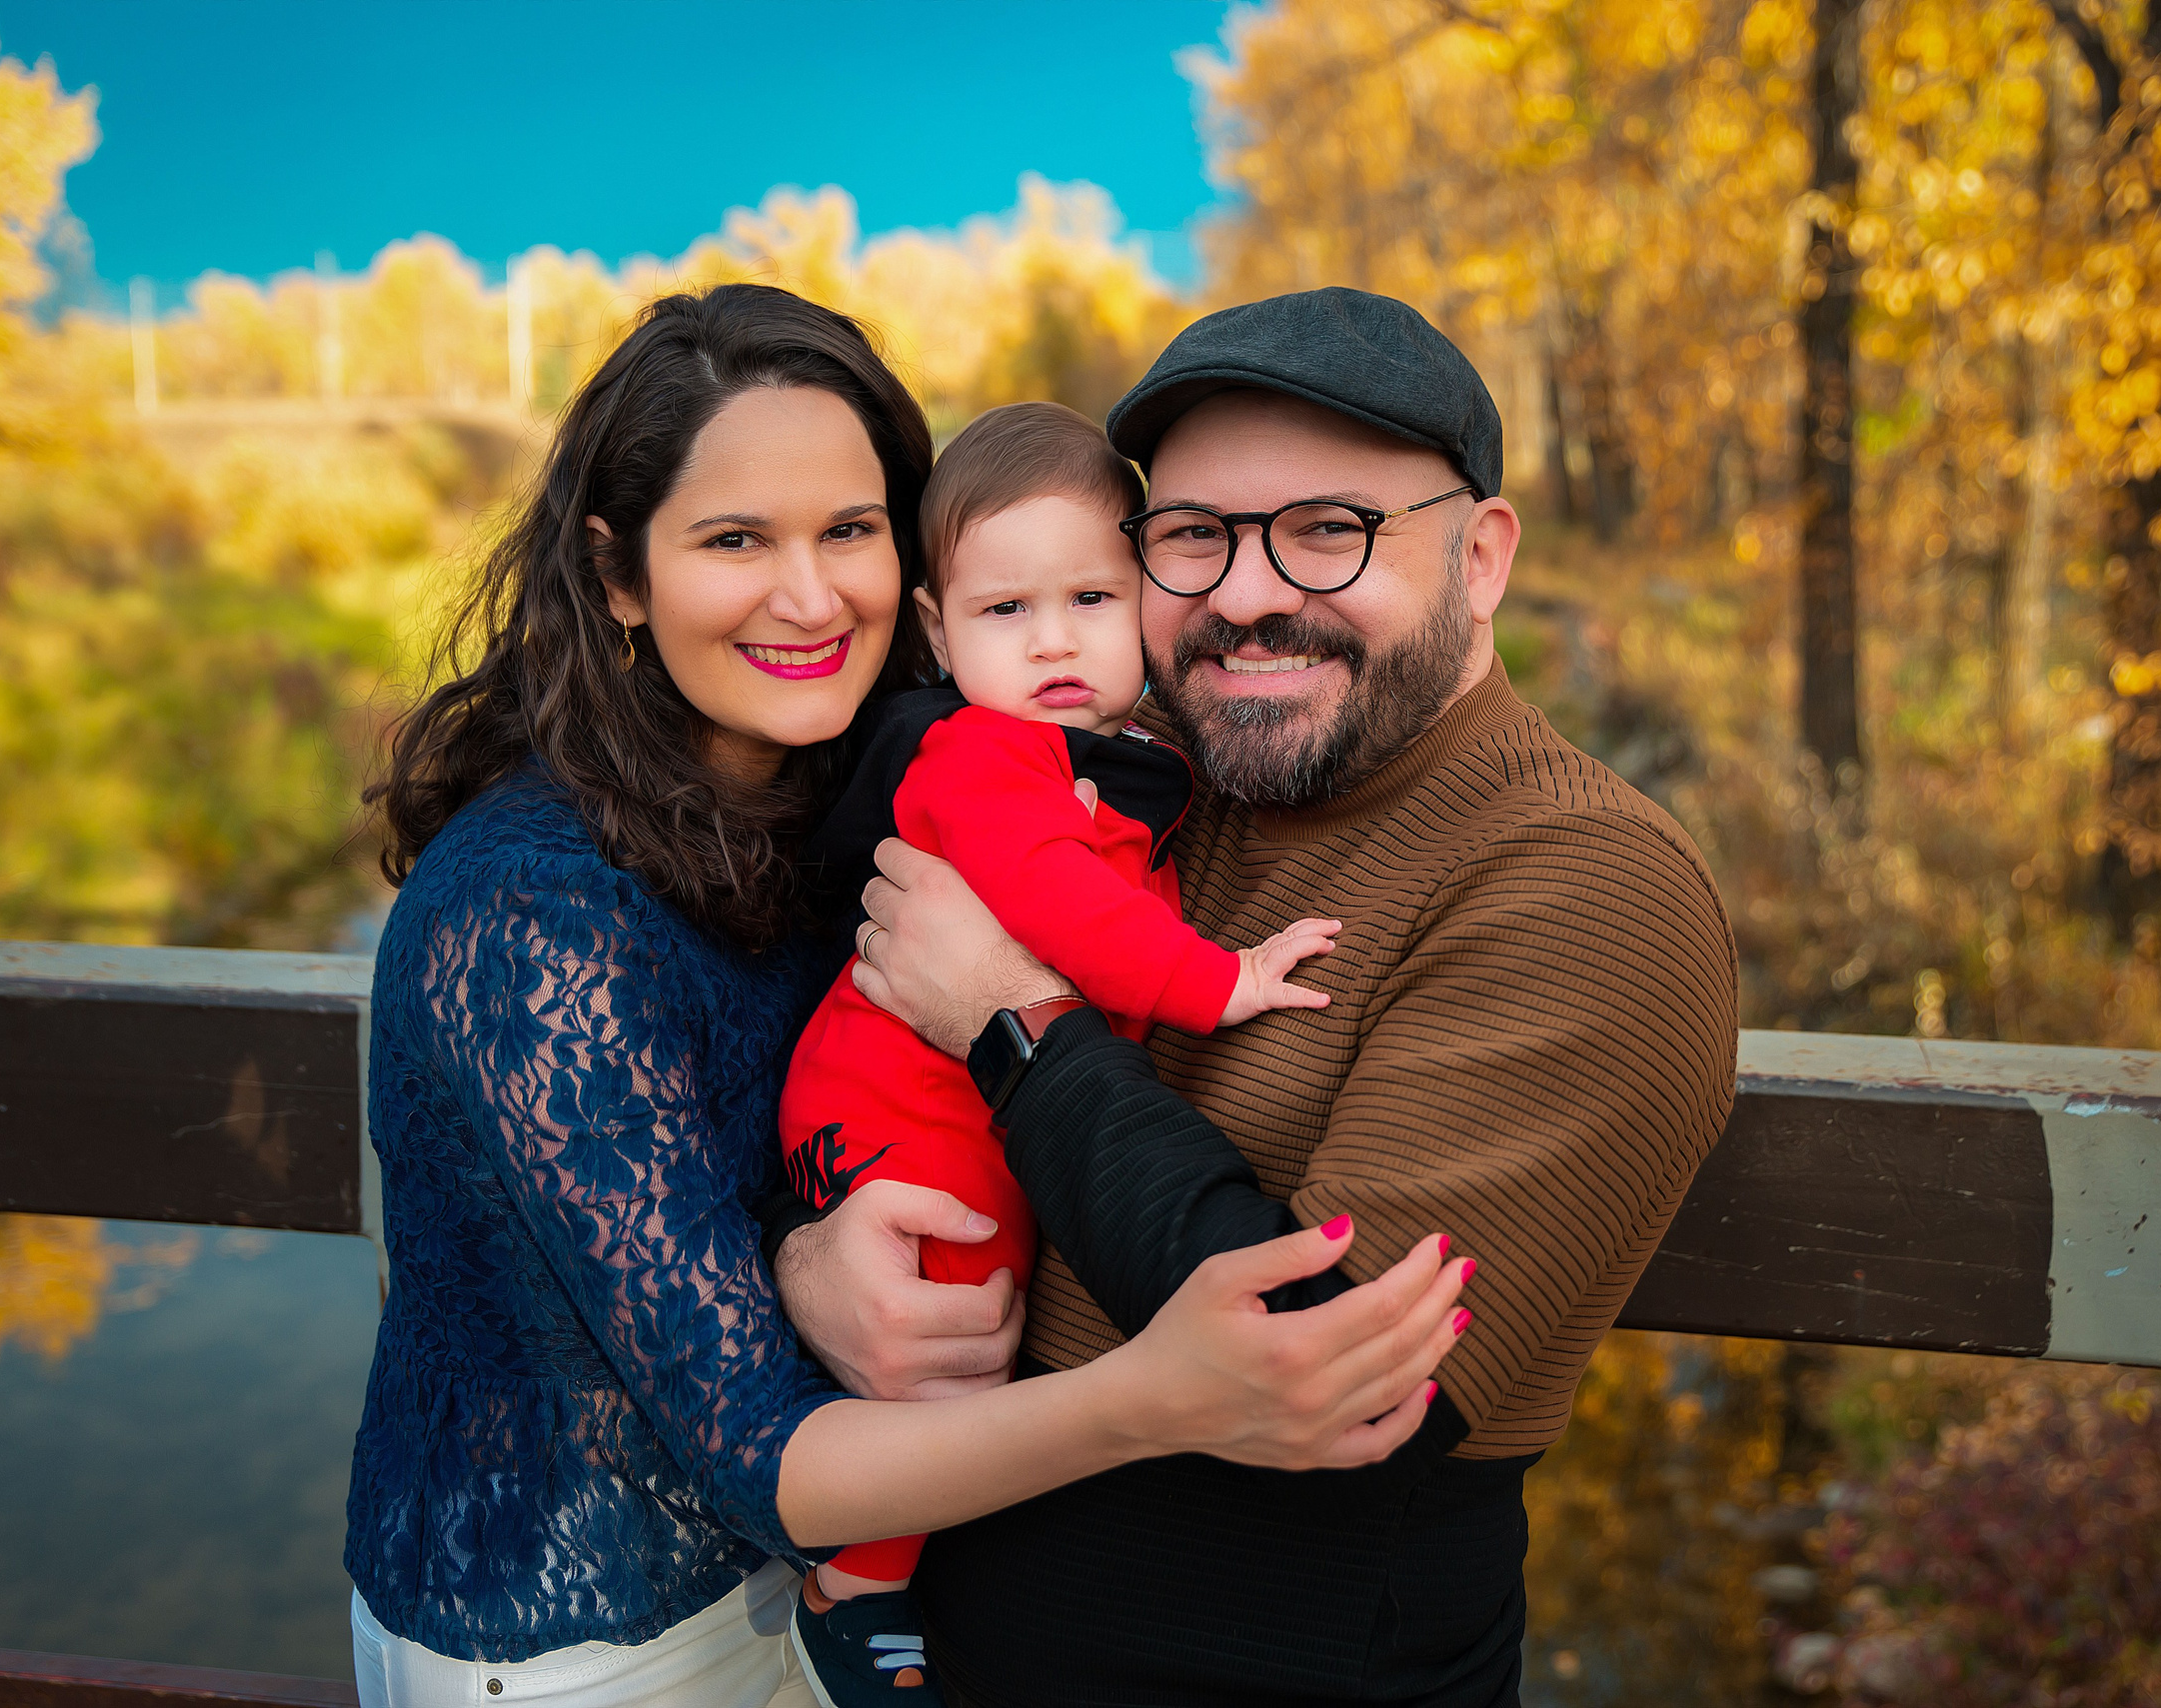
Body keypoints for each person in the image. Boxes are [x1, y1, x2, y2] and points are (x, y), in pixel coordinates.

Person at [340, 283, 1472, 1708]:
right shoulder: (530, 906)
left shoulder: (857, 778)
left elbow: (741, 1164)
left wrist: (802, 1254)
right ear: (619, 574)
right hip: (591, 1639)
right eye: (734, 539)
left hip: (827, 1579)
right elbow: (760, 1441)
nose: (810, 596)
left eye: (850, 531)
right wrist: (1153, 1395)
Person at [770, 287, 1742, 1706]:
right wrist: (811, 1252)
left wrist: (1006, 1014)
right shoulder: (1139, 767)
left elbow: (1335, 1358)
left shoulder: (1588, 884)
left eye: (1331, 529)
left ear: (1482, 556)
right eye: (1194, 538)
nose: (1244, 594)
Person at [774, 402, 1351, 1697]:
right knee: (957, 1318)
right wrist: (1221, 981)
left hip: (939, 1081)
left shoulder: (1125, 751)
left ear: (1147, 587)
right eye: (1002, 612)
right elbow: (1062, 909)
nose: (1052, 642)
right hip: (905, 1097)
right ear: (935, 630)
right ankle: (857, 1582)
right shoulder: (983, 755)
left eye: (1091, 595)